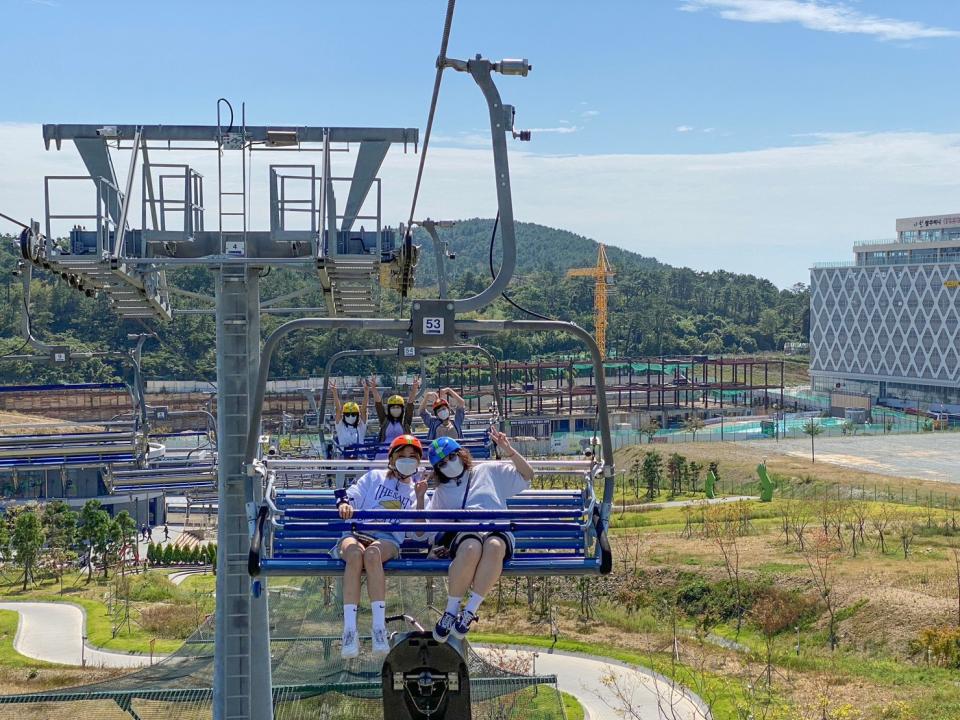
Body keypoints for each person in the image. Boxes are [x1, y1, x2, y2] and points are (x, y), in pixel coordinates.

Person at [424, 431, 533, 642]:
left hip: (496, 527)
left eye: (452, 457)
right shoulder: (443, 492)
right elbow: (435, 526)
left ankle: (470, 610)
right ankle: (451, 610)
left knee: (493, 546)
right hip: (467, 533)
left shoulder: (488, 471)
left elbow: (527, 474)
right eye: (443, 464)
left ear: (461, 454)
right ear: (438, 470)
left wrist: (509, 451)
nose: (450, 464)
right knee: (472, 548)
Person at [336, 434, 427, 658]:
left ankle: (378, 627)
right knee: (356, 554)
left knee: (373, 554)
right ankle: (349, 630)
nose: (407, 460)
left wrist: (421, 498)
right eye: (402, 456)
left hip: (388, 539)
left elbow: (419, 531)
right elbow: (348, 496)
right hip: (359, 532)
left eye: (412, 457)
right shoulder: (374, 477)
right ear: (391, 458)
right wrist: (346, 505)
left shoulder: (416, 490)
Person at [369, 375, 420, 445]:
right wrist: (373, 389)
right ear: (389, 409)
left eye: (398, 407)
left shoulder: (405, 422)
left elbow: (410, 406)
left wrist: (414, 389)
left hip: (401, 450)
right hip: (384, 451)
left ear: (402, 409)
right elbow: (378, 405)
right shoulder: (384, 420)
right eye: (393, 407)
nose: (395, 409)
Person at [331, 379, 370, 454]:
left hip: (359, 460)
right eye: (347, 414)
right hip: (344, 461)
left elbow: (363, 411)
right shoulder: (341, 427)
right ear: (344, 415)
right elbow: (338, 410)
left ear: (357, 415)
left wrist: (366, 393)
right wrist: (335, 393)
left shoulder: (360, 428)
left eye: (353, 414)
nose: (350, 417)